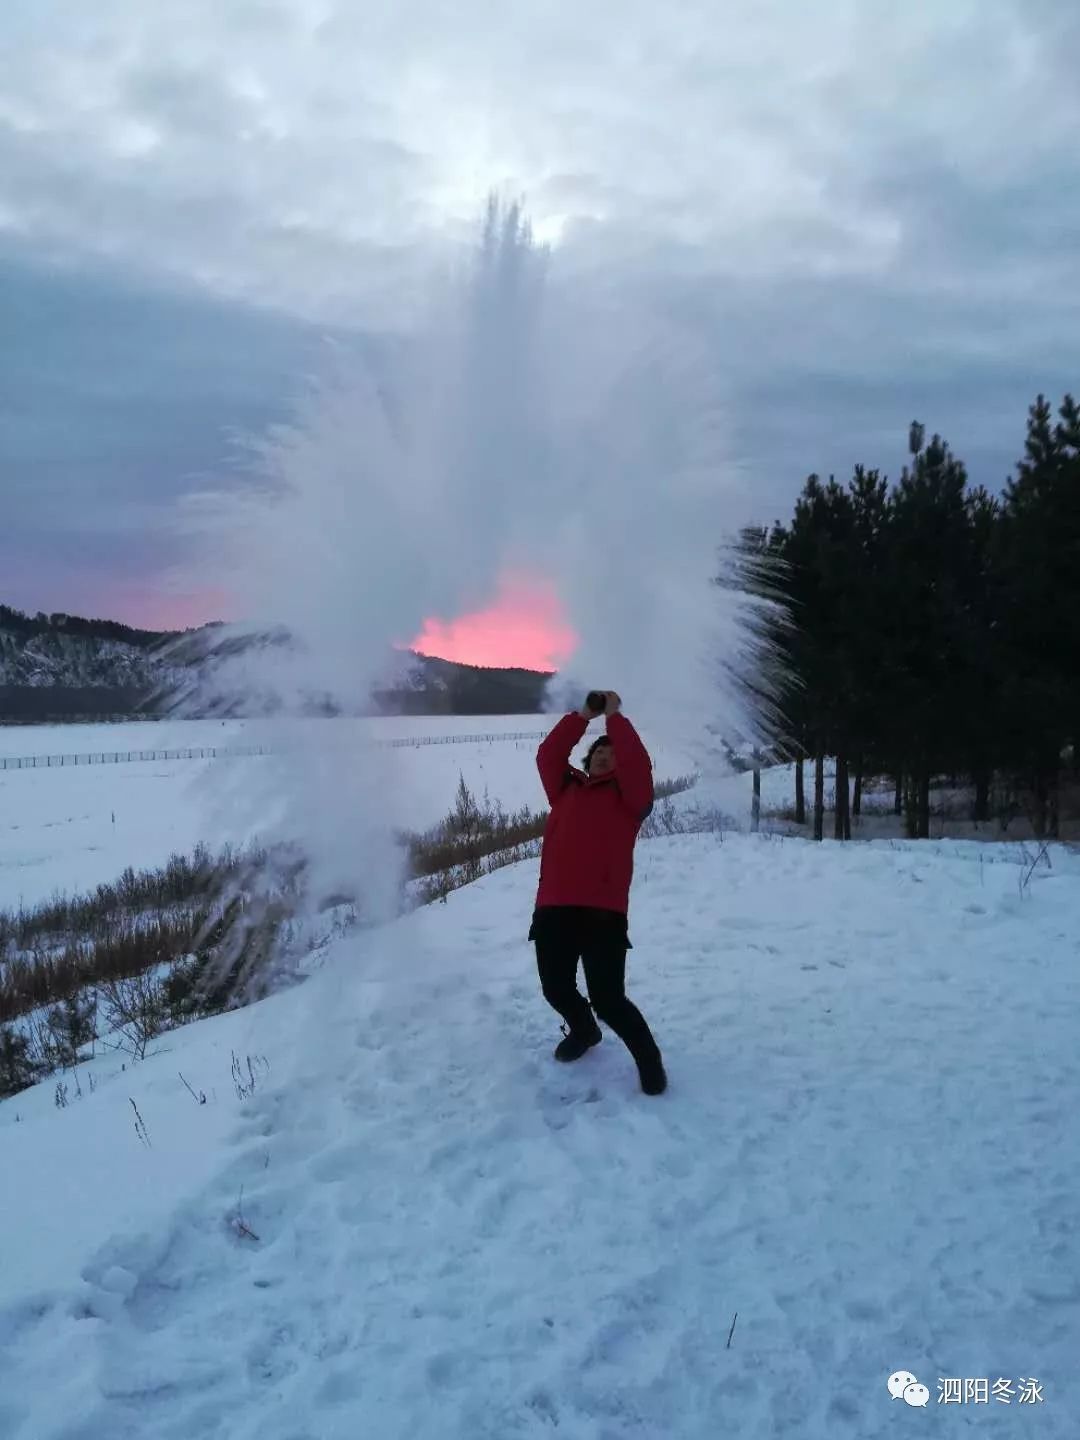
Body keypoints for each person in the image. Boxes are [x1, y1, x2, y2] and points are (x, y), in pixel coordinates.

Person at [529, 690, 667, 1095]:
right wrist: (585, 715)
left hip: (603, 912)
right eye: (599, 752)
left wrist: (614, 718)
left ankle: (648, 1059)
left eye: (613, 753)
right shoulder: (565, 789)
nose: (606, 755)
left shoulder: (630, 801)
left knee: (609, 999)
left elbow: (639, 765)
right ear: (587, 760)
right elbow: (548, 754)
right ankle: (585, 1031)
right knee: (555, 987)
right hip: (554, 906)